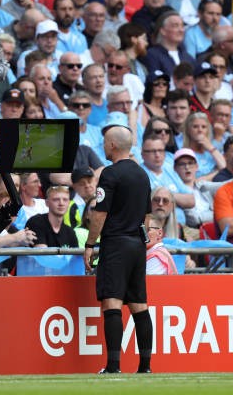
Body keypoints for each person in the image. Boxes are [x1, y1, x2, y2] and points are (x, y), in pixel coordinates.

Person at [84, 125, 154, 374]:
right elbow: (147, 216)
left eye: (104, 142)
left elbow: (100, 213)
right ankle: (145, 367)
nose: (103, 146)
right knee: (139, 304)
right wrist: (141, 241)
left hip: (115, 244)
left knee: (112, 303)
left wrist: (90, 244)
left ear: (113, 145)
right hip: (137, 245)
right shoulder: (142, 174)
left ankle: (113, 366)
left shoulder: (110, 175)